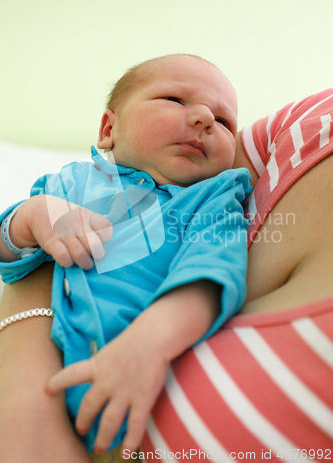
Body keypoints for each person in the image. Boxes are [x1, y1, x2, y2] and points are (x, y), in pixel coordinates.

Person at [1, 78, 332, 463]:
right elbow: (10, 253)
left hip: (124, 377)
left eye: (225, 122)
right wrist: (30, 217)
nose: (206, 118)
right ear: (109, 129)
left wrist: (149, 344)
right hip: (43, 364)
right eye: (174, 99)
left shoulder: (211, 199)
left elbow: (210, 274)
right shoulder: (72, 179)